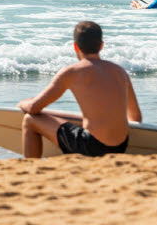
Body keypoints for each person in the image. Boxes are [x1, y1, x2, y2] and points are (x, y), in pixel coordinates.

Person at [19, 21, 141, 158]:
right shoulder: (120, 71)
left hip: (91, 146)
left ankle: (30, 169)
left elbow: (34, 108)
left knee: (30, 119)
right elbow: (136, 117)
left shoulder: (72, 72)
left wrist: (23, 103)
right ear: (101, 45)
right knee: (80, 118)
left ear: (75, 46)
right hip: (121, 146)